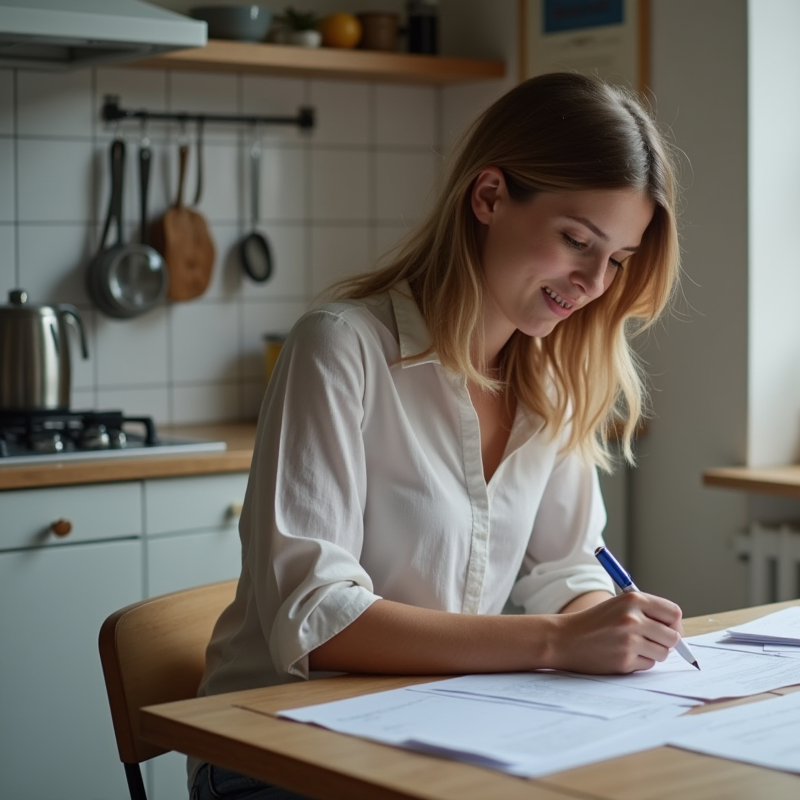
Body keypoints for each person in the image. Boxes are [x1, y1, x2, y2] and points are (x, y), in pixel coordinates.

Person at [189, 72, 683, 800]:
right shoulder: (340, 348)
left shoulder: (552, 381)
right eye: (577, 240)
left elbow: (568, 569)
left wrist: (605, 623)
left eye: (616, 260)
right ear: (488, 198)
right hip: (277, 752)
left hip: (439, 732)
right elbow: (320, 620)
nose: (592, 283)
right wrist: (556, 642)